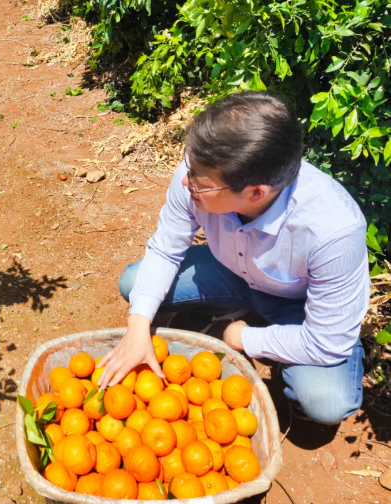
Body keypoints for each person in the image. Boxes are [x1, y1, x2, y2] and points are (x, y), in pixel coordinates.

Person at [97, 92, 369, 425]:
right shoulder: (201, 173)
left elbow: (327, 342)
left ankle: (272, 339)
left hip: (297, 305)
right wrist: (138, 326)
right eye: (189, 166)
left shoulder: (333, 231)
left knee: (326, 402)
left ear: (255, 193)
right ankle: (242, 312)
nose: (186, 181)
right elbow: (166, 248)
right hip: (232, 274)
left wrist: (245, 338)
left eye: (199, 181)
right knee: (135, 284)